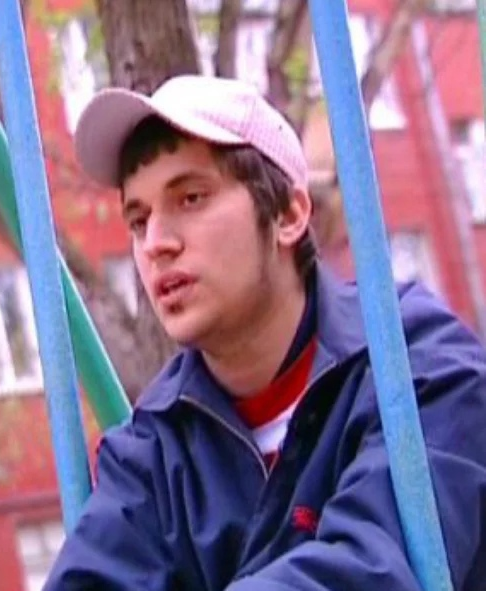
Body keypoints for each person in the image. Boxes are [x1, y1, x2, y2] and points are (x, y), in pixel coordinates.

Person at [43, 75, 486, 591]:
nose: (156, 243)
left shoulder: (416, 361)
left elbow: (376, 567)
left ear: (288, 214)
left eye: (190, 198)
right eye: (138, 221)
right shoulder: (151, 449)